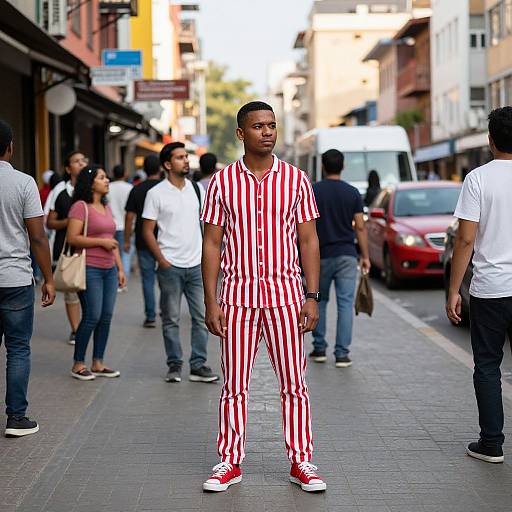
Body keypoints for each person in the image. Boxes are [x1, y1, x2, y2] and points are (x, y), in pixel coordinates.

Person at [201, 101, 326, 493]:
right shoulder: (221, 183)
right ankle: (229, 462)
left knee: (294, 383)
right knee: (234, 384)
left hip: (286, 296)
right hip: (236, 298)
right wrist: (211, 301)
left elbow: (309, 240)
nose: (267, 132)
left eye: (272, 125)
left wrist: (312, 296)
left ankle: (301, 461)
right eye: (258, 126)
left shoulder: (296, 180)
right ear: (241, 133)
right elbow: (211, 244)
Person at [446, 106, 512, 464]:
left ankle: (492, 443)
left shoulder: (478, 179)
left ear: (490, 141)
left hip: (491, 290)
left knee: (488, 365)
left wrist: (454, 289)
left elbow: (465, 240)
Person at [142, 143, 218, 384]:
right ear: (167, 164)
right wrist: (162, 260)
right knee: (171, 319)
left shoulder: (197, 190)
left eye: (186, 157)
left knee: (201, 317)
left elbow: (208, 227)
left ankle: (198, 365)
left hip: (196, 265)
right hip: (170, 266)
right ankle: (174, 365)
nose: (186, 161)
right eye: (180, 158)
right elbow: (147, 231)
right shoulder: (156, 193)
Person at [0, 119, 56, 437]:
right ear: (10, 147)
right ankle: (16, 418)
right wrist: (48, 278)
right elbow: (37, 237)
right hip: (16, 279)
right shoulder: (23, 183)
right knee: (18, 348)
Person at [310, 150, 371, 368]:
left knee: (320, 301)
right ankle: (342, 353)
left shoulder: (313, 191)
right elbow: (360, 227)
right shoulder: (352, 192)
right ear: (343, 167)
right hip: (347, 254)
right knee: (345, 304)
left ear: (323, 167)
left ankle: (319, 348)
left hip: (320, 256)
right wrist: (364, 255)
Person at [67, 165, 126, 381]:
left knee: (106, 317)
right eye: (102, 177)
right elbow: (72, 237)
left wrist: (120, 268)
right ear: (90, 182)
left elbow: (113, 242)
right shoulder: (80, 207)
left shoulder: (106, 206)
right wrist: (100, 242)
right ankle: (78, 363)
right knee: (92, 315)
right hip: (89, 267)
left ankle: (98, 362)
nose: (107, 180)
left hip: (109, 269)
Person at [46, 151, 88, 344]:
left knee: (89, 293)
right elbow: (50, 222)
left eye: (83, 161)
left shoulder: (93, 189)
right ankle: (75, 330)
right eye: (76, 161)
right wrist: (70, 222)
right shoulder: (60, 192)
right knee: (72, 291)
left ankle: (87, 326)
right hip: (68, 250)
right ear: (68, 168)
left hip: (91, 250)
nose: (81, 163)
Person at [124, 155, 162, 328]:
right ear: (160, 168)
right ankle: (167, 310)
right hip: (163, 241)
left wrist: (126, 239)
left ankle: (150, 315)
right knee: (165, 278)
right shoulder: (165, 188)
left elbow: (129, 217)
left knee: (147, 279)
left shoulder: (136, 189)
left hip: (142, 240)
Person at [108, 164, 133, 285]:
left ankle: (115, 278)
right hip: (125, 226)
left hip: (111, 225)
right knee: (125, 254)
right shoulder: (129, 188)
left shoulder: (108, 187)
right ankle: (123, 281)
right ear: (125, 174)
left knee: (112, 254)